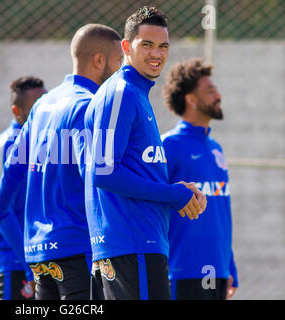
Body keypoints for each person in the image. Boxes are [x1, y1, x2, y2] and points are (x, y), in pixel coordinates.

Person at [0, 23, 123, 300]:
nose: (121, 71)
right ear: (99, 60)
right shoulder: (91, 104)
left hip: (39, 253)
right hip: (79, 248)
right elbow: (94, 178)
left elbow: (14, 168)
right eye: (118, 61)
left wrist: (0, 211)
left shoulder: (44, 104)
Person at [83, 6, 207, 300]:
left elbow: (132, 170)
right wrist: (173, 195)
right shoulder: (121, 92)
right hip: (131, 245)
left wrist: (176, 190)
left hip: (141, 244)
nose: (157, 54)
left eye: (163, 46)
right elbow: (104, 172)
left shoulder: (136, 93)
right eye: (147, 45)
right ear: (126, 47)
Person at [161, 58, 238, 300]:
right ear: (191, 99)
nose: (218, 95)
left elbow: (220, 212)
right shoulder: (167, 145)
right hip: (183, 270)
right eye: (210, 90)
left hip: (219, 269)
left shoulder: (215, 147)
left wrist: (229, 264)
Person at [0, 76, 46, 300]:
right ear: (17, 111)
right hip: (13, 262)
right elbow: (1, 211)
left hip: (35, 260)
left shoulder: (39, 143)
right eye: (37, 105)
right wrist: (29, 267)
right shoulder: (8, 144)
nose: (44, 109)